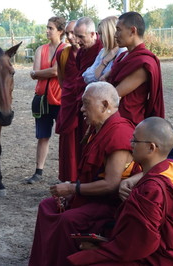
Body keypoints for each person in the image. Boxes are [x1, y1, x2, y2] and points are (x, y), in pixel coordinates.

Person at [28, 82, 140, 266]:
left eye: (86, 104)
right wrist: (73, 191)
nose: (81, 109)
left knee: (66, 220)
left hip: (109, 204)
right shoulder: (99, 128)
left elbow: (111, 184)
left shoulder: (119, 132)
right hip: (91, 197)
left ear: (105, 105)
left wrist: (73, 188)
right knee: (46, 206)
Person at [68, 117, 173, 265]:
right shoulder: (161, 175)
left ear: (151, 148)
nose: (130, 144)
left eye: (135, 141)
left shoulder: (152, 190)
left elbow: (140, 244)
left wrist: (99, 249)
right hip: (148, 250)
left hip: (157, 258)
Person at [55, 17, 103, 182]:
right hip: (74, 98)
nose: (76, 40)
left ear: (93, 34)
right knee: (72, 142)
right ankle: (72, 178)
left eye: (80, 37)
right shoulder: (78, 52)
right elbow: (69, 78)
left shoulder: (101, 50)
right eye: (74, 35)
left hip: (91, 102)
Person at [26, 17, 67, 184]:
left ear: (60, 31)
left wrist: (39, 73)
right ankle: (38, 171)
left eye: (51, 28)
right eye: (47, 27)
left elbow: (56, 72)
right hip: (43, 99)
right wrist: (45, 72)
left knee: (64, 138)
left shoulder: (66, 49)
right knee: (42, 136)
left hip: (60, 99)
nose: (47, 30)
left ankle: (65, 173)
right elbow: (33, 73)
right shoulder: (40, 50)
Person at [108, 11, 164, 125]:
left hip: (128, 122)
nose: (115, 34)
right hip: (113, 116)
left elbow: (114, 94)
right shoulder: (123, 56)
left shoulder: (144, 62)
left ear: (133, 31)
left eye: (119, 30)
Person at [82, 16, 127, 84]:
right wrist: (104, 62)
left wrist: (99, 72)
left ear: (110, 34)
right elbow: (87, 78)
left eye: (101, 34)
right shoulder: (103, 51)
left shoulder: (123, 52)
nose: (99, 38)